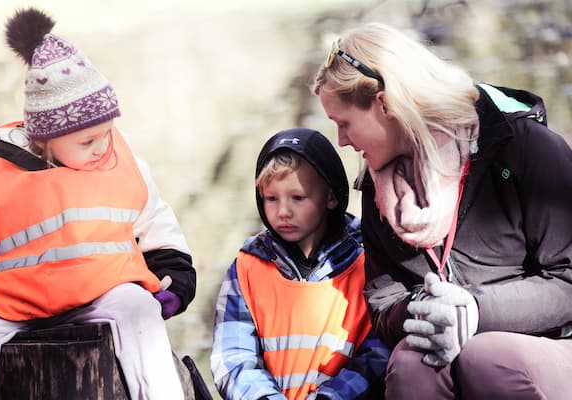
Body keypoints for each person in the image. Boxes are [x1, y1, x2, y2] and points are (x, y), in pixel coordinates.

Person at [313, 22, 572, 399]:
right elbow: (383, 302)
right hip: (444, 342)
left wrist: (474, 311)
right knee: (411, 363)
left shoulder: (525, 147)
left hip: (551, 346)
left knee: (486, 358)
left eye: (345, 124)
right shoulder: (377, 188)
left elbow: (568, 280)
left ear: (385, 104)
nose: (342, 141)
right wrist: (423, 307)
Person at [0, 8, 196, 400]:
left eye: (107, 133)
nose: (102, 148)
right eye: (86, 141)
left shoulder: (124, 167)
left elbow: (157, 227)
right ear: (45, 140)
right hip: (10, 301)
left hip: (99, 293)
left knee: (139, 311)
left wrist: (174, 280)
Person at [210, 128, 390, 400]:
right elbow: (233, 356)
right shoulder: (247, 267)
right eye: (271, 198)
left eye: (298, 198)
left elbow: (379, 352)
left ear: (330, 196)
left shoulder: (368, 259)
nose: (283, 211)